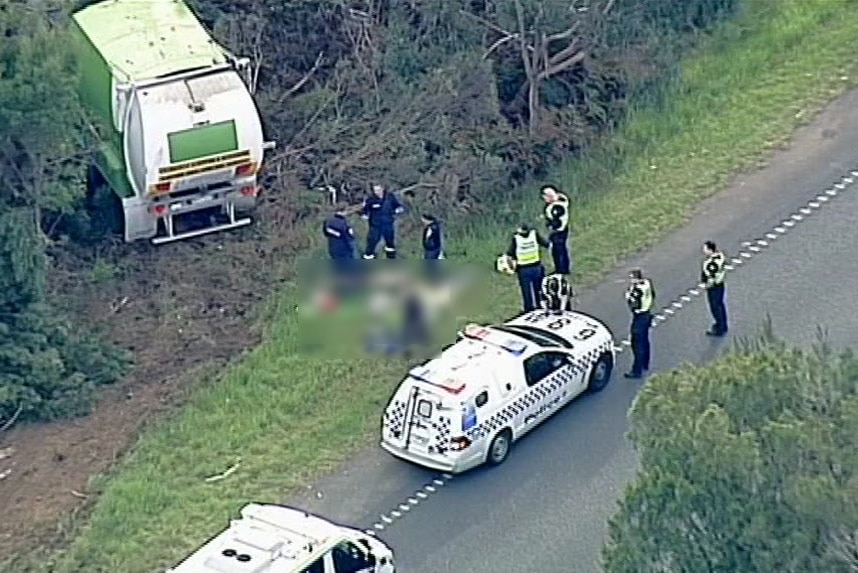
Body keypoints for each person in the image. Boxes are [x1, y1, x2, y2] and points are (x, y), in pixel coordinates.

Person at [506, 223, 549, 312]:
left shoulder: (516, 239)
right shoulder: (534, 235)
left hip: (523, 269)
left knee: (527, 292)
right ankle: (541, 307)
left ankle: (529, 310)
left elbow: (510, 254)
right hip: (536, 267)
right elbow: (546, 244)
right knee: (539, 289)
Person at [624, 268, 655, 379]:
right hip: (647, 313)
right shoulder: (647, 284)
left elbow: (633, 303)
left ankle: (636, 370)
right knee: (645, 341)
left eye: (632, 278)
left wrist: (628, 296)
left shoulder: (637, 290)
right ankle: (645, 363)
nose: (631, 281)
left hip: (640, 316)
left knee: (637, 344)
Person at [362, 184, 404, 260]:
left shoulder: (390, 197)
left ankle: (391, 260)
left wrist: (398, 210)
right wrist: (365, 215)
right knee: (372, 243)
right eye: (375, 190)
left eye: (378, 190)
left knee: (390, 243)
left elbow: (397, 205)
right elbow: (365, 210)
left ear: (382, 189)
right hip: (375, 226)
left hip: (388, 224)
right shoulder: (371, 199)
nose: (376, 192)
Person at [541, 185, 571, 275]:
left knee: (558, 251)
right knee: (562, 250)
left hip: (558, 231)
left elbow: (556, 221)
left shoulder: (557, 207)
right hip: (562, 230)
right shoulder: (560, 203)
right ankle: (564, 268)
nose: (544, 199)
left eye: (545, 196)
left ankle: (560, 270)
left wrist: (550, 225)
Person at [701, 240, 729, 336]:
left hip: (714, 287)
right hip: (721, 284)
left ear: (710, 250)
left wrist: (707, 286)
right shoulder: (721, 256)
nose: (703, 250)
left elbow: (711, 277)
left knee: (715, 307)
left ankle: (719, 328)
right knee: (720, 305)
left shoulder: (711, 263)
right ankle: (723, 325)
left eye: (705, 248)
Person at [322, 208, 357, 276]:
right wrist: (351, 247)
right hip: (344, 247)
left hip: (333, 247)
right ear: (343, 211)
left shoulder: (328, 221)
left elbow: (326, 233)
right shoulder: (344, 222)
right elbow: (348, 236)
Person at [421, 213, 443, 279]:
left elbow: (428, 238)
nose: (423, 221)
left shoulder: (431, 227)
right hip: (431, 248)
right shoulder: (435, 226)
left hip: (431, 248)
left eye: (423, 220)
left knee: (431, 265)